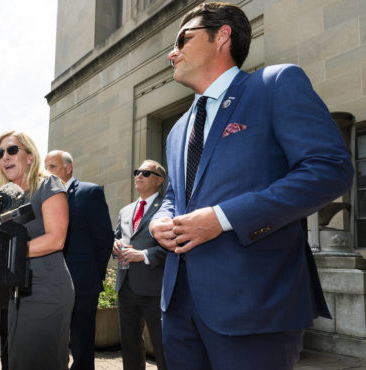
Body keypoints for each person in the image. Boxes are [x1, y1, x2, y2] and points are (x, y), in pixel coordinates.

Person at [148, 3, 354, 369]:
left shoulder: (275, 84)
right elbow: (176, 196)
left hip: (255, 305)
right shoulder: (178, 130)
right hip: (177, 308)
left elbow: (329, 169)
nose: (171, 52)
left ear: (222, 35)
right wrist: (159, 220)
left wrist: (223, 218)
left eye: (183, 39)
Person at [0, 131, 74, 370]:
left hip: (48, 291)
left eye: (12, 150)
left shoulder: (48, 183)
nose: (5, 157)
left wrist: (9, 253)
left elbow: (56, 239)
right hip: (17, 293)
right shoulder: (6, 198)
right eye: (0, 153)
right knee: (19, 362)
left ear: (30, 156)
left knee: (43, 362)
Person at [44, 150, 113, 370]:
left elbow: (104, 239)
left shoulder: (89, 192)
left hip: (82, 283)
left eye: (52, 167)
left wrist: (94, 275)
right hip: (51, 281)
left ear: (68, 168)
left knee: (82, 341)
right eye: (45, 168)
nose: (48, 172)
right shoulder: (45, 197)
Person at [113, 160, 167, 370]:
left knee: (162, 343)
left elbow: (172, 247)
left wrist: (143, 255)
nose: (139, 176)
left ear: (159, 180)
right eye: (137, 172)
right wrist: (114, 244)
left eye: (146, 173)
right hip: (125, 285)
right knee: (129, 343)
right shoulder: (126, 210)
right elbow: (117, 236)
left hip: (154, 287)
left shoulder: (166, 207)